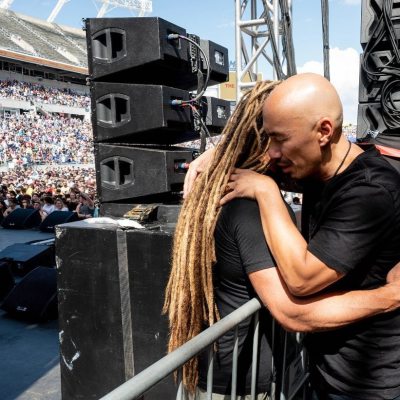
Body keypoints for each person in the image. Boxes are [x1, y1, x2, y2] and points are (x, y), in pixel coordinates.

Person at [164, 79, 400, 400]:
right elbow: (250, 150)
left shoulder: (369, 191)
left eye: (280, 138)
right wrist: (220, 151)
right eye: (268, 138)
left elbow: (301, 283)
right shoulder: (316, 165)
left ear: (324, 131)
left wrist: (265, 191)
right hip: (325, 374)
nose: (273, 152)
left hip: (368, 387)